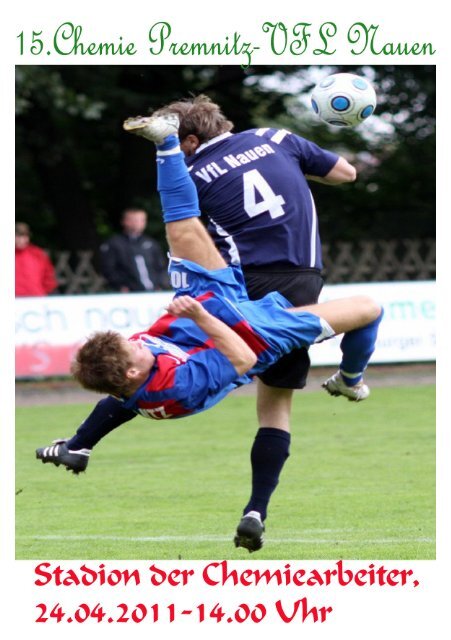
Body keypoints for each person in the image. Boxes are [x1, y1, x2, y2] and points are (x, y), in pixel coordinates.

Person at [36, 116, 383, 552]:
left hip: (212, 307)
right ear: (131, 374)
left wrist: (80, 441)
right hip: (257, 333)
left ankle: (163, 144)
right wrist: (199, 316)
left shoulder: (129, 370)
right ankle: (346, 387)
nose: (137, 341)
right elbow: (241, 358)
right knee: (369, 310)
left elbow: (120, 385)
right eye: (134, 351)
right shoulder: (176, 391)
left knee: (182, 228)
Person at [100, 207, 168, 292]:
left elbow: (161, 267)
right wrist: (120, 286)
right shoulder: (114, 244)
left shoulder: (151, 243)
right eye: (135, 220)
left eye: (142, 220)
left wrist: (161, 284)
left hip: (155, 291)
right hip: (128, 293)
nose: (139, 223)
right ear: (125, 221)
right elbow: (108, 269)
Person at [15, 222, 58, 296]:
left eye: (25, 237)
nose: (22, 240)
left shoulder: (37, 254)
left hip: (36, 300)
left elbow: (48, 279)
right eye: (18, 237)